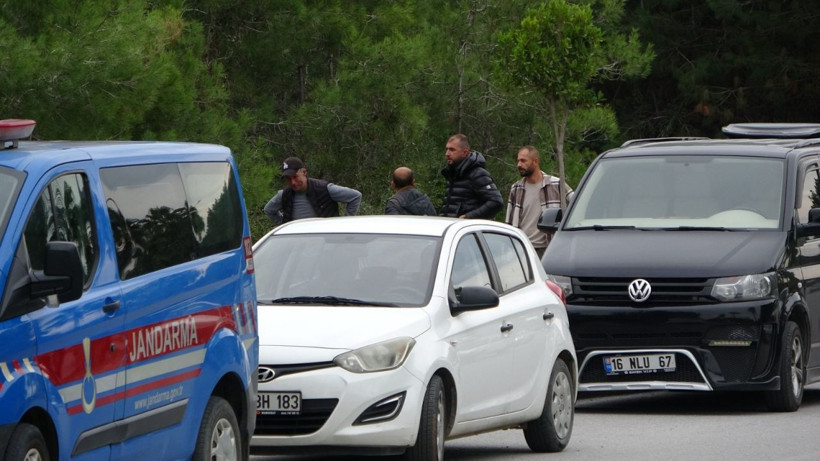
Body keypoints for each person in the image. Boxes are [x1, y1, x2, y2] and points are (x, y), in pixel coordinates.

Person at [505, 145, 574, 258]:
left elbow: (577, 204)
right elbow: (509, 222)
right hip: (523, 249)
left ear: (535, 161)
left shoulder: (556, 184)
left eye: (523, 161)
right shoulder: (516, 188)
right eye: (518, 161)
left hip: (550, 249)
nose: (519, 165)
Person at [263, 156, 362, 225]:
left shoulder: (325, 189)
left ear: (304, 172)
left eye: (295, 177)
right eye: (288, 179)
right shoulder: (284, 195)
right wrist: (285, 226)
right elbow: (268, 210)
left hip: (326, 241)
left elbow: (355, 196)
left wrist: (343, 224)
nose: (292, 182)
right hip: (297, 243)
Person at [440, 134, 504, 219]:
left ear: (465, 152)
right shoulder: (452, 174)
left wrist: (468, 217)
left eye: (452, 150)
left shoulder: (477, 174)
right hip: (454, 228)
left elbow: (496, 202)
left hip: (471, 230)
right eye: (447, 149)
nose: (447, 153)